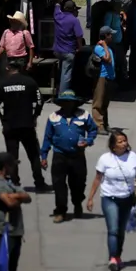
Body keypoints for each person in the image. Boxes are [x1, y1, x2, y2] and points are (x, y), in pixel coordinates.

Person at [86, 129, 136, 271]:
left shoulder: (133, 157)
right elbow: (97, 178)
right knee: (112, 229)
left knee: (120, 231)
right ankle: (113, 258)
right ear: (113, 146)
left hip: (127, 199)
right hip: (109, 198)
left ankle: (117, 255)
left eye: (125, 140)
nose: (124, 143)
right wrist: (90, 198)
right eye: (120, 141)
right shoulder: (105, 159)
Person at [0, 60, 50, 192]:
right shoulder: (30, 82)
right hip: (27, 125)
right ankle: (39, 183)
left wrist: (2, 118)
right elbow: (40, 101)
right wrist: (35, 116)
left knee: (12, 157)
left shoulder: (2, 84)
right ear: (21, 68)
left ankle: (14, 183)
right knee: (33, 155)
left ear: (8, 68)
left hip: (10, 126)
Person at [40, 90, 96, 222]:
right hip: (60, 155)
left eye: (70, 102)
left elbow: (93, 130)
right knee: (58, 184)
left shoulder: (84, 115)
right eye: (65, 102)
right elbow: (47, 137)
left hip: (78, 155)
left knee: (78, 183)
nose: (68, 105)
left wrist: (88, 141)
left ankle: (77, 203)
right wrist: (44, 156)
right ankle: (60, 211)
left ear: (75, 103)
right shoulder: (54, 117)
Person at [0, 152, 32, 271]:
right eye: (12, 165)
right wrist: (17, 198)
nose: (14, 168)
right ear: (5, 167)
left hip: (16, 231)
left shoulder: (9, 182)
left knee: (12, 267)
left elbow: (28, 197)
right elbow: (10, 203)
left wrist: (15, 195)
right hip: (4, 232)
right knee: (1, 268)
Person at [52, 0, 84, 95]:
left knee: (60, 71)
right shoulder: (74, 20)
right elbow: (79, 36)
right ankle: (62, 95)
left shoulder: (57, 16)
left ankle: (57, 90)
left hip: (57, 51)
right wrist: (80, 47)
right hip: (68, 51)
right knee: (66, 74)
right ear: (73, 9)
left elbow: (57, 5)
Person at [92, 26, 116, 135]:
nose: (112, 36)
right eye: (110, 34)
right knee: (98, 102)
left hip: (109, 77)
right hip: (101, 77)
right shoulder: (99, 48)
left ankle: (105, 124)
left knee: (105, 102)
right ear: (106, 36)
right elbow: (108, 59)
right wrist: (105, 46)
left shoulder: (108, 48)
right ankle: (98, 125)